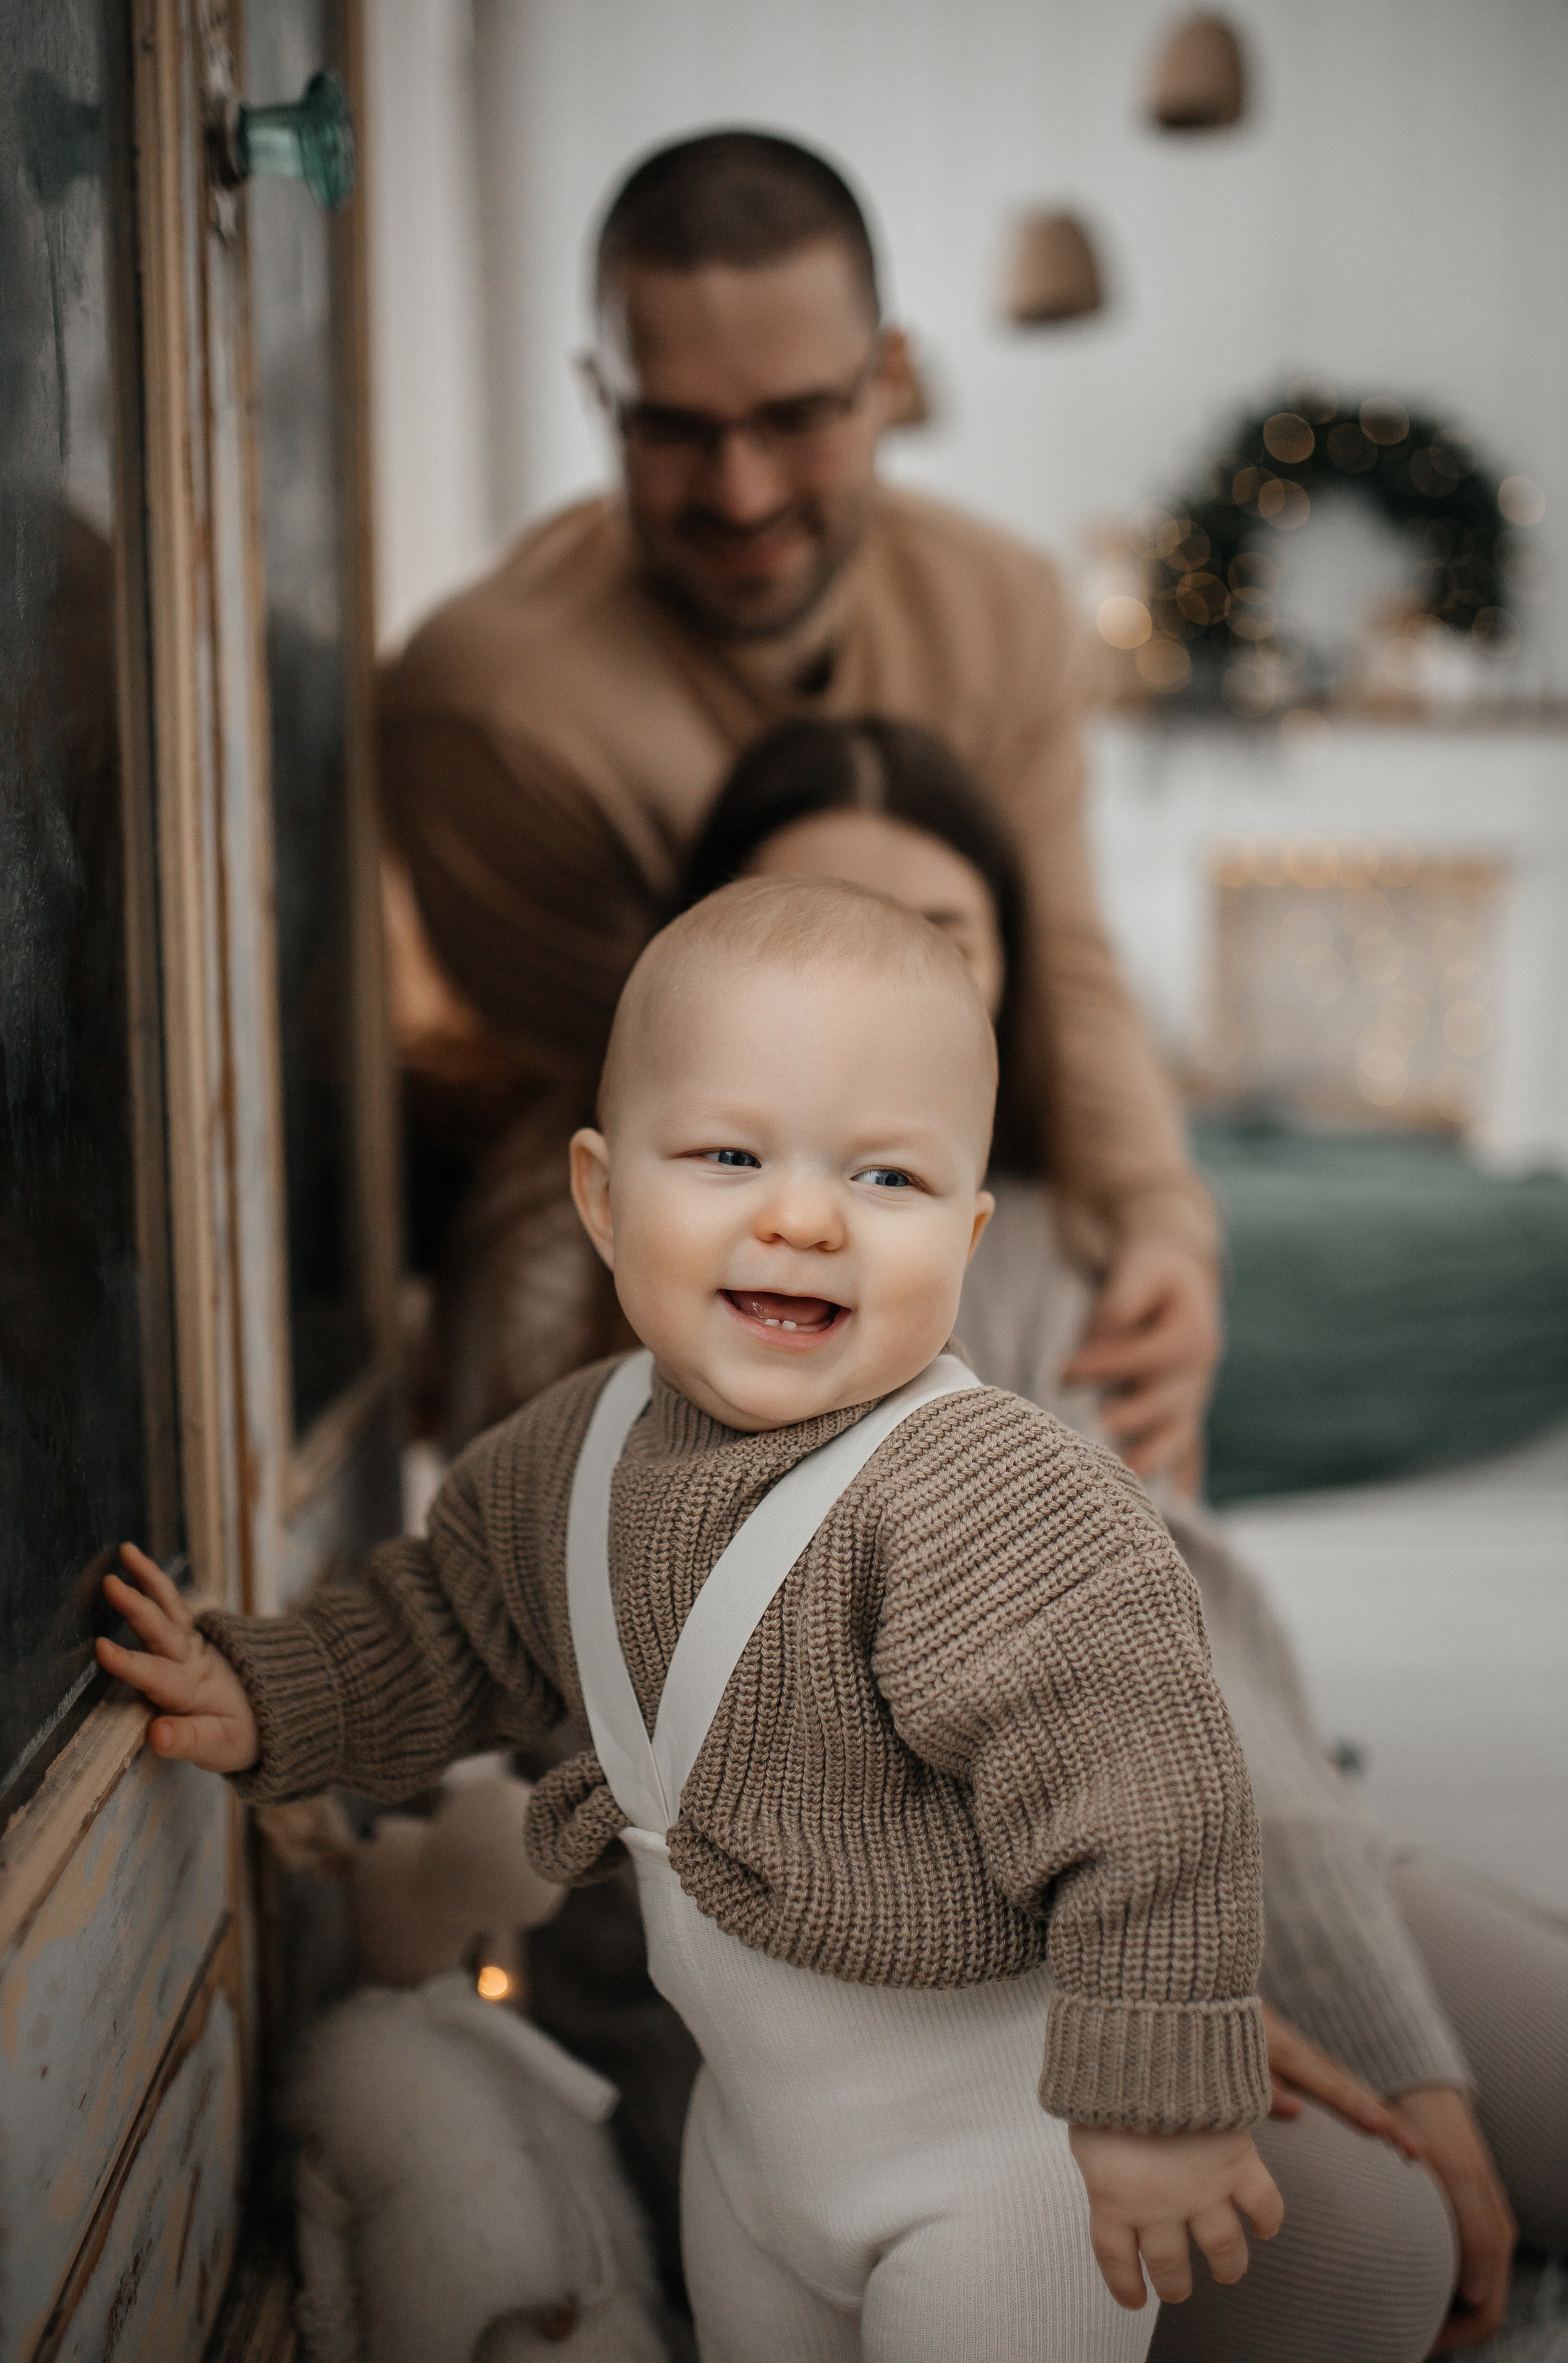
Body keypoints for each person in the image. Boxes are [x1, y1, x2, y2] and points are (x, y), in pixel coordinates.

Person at [98, 877, 1283, 2363]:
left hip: (1007, 2161)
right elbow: (449, 1628)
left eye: (887, 1182)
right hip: (755, 2156)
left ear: (969, 1232)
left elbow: (1153, 1807)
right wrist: (272, 1694)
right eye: (728, 1154)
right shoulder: (567, 1456)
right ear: (603, 1198)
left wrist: (1153, 2101)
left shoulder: (990, 1502)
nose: (800, 1218)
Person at [671, 714, 1568, 2362]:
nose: (872, 982)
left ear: (1005, 974)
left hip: (1237, 1809)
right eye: (814, 924)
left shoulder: (1040, 1252)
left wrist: (1341, 2014)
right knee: (1381, 2249)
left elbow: (1183, 1674)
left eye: (938, 938)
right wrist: (1162, 2005)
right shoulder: (675, 1278)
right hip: (939, 1964)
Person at [381, 127, 1219, 1479]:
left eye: (794, 419)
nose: (742, 490)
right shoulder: (487, 708)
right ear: (604, 397)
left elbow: (1059, 954)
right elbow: (679, 1078)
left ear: (886, 378)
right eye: (676, 429)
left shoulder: (1003, 606)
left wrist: (1162, 1221)